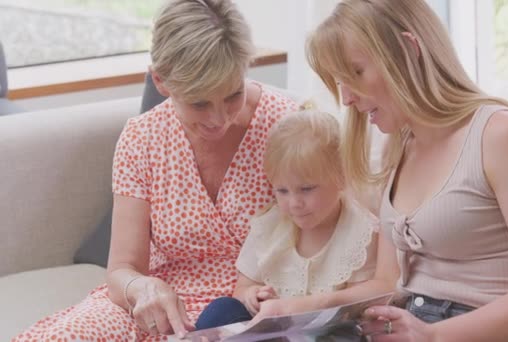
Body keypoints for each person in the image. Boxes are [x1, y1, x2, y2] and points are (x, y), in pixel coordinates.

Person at [13, 0, 297, 341]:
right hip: (158, 307)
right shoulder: (141, 138)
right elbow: (122, 270)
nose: (219, 118)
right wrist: (142, 287)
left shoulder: (288, 127)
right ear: (160, 81)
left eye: (233, 95)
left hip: (247, 310)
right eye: (200, 102)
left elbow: (330, 234)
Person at [304, 0, 508, 341]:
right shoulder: (400, 145)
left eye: (356, 73)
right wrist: (301, 308)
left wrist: (432, 336)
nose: (346, 98)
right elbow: (387, 283)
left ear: (409, 49)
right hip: (412, 320)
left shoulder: (500, 134)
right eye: (339, 82)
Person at [194, 107, 380, 330]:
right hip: (274, 334)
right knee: (223, 308)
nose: (294, 203)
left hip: (322, 333)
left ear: (341, 176)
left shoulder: (360, 232)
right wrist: (252, 296)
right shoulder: (269, 226)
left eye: (306, 189)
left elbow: (360, 308)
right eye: (282, 191)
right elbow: (242, 288)